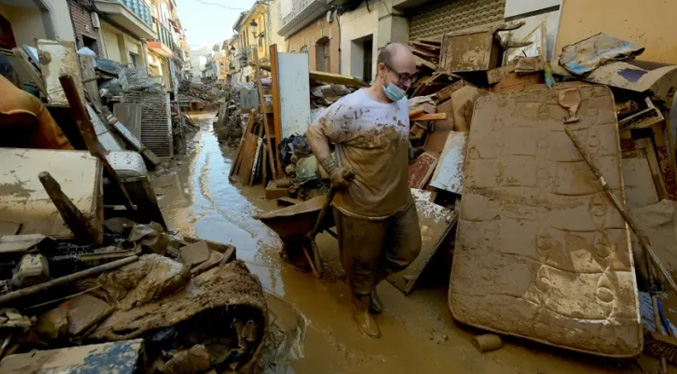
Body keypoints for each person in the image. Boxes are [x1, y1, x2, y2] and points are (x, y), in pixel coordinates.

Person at [306, 43, 421, 338]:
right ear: (382, 70)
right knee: (361, 264)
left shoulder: (402, 100)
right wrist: (332, 169)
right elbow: (314, 132)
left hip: (399, 200)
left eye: (412, 78)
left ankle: (367, 288)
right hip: (362, 206)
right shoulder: (352, 107)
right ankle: (361, 308)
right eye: (402, 77)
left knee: (409, 249)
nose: (407, 85)